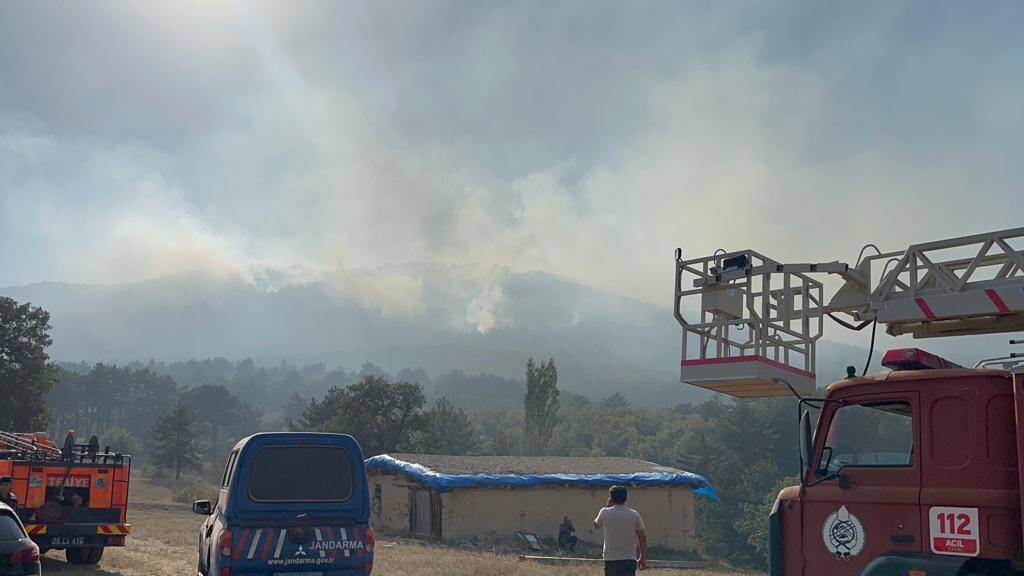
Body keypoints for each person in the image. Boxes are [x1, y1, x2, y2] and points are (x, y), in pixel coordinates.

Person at [594, 485, 647, 575]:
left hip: (611, 558)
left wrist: (608, 506)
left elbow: (596, 525)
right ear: (625, 498)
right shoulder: (634, 514)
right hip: (629, 558)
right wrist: (642, 557)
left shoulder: (604, 512)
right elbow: (642, 538)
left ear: (611, 498)